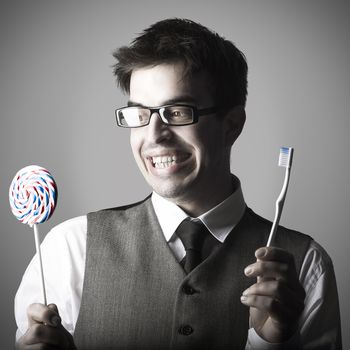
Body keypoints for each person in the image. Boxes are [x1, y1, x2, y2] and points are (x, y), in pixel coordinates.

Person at [15, 18, 342, 349]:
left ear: (231, 125)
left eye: (178, 112)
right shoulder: (69, 250)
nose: (154, 135)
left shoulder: (305, 265)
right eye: (139, 114)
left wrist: (271, 342)